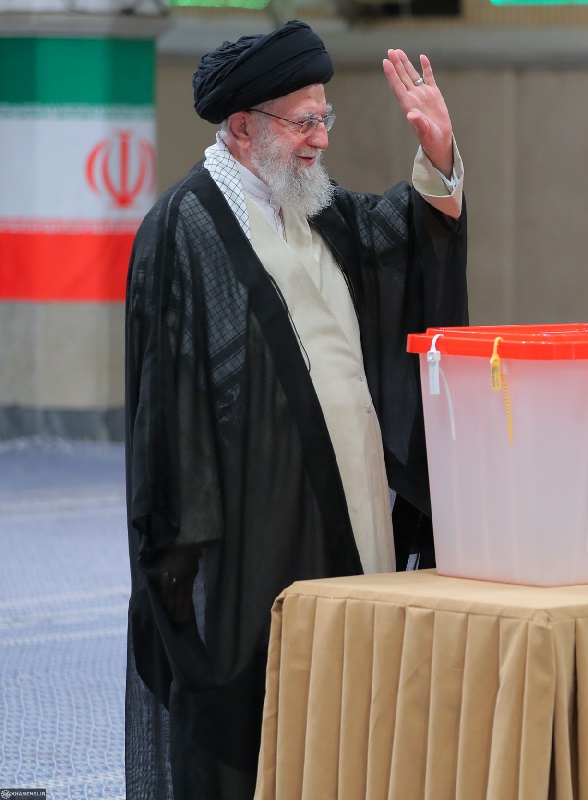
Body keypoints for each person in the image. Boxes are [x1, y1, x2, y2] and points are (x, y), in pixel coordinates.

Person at [122, 20, 468, 800]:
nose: (320, 139)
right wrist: (190, 570)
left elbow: (406, 241)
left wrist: (439, 154)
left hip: (351, 519)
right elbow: (168, 419)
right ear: (243, 127)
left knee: (351, 730)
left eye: (324, 118)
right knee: (263, 739)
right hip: (252, 553)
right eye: (302, 122)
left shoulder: (316, 208)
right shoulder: (184, 228)